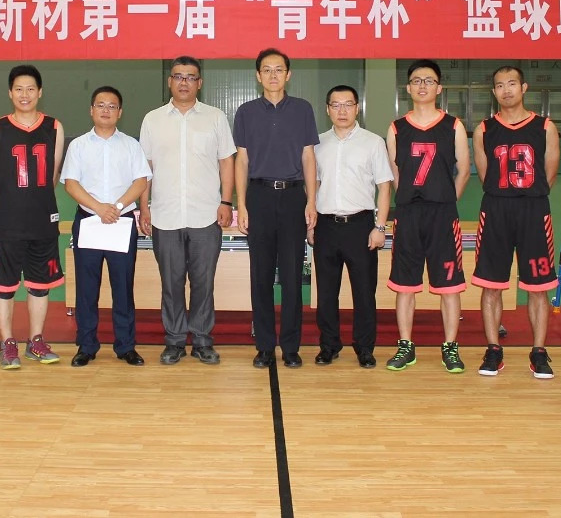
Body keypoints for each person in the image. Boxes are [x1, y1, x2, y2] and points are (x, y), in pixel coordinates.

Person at [138, 56, 235, 366]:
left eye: (190, 77)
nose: (184, 82)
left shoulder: (215, 117)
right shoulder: (152, 119)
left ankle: (203, 340)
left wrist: (226, 202)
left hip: (205, 214)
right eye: (178, 76)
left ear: (199, 83)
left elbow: (226, 161)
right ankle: (175, 341)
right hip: (165, 215)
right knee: (171, 282)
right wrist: (144, 207)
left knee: (204, 282)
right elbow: (145, 168)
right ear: (170, 81)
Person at [471, 65, 561, 379]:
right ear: (493, 91)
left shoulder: (545, 127)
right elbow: (485, 175)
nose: (506, 90)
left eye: (512, 84)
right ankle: (493, 350)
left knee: (539, 286)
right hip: (495, 210)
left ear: (523, 88)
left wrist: (527, 196)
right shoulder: (484, 130)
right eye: (499, 85)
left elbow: (550, 173)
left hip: (534, 211)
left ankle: (539, 352)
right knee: (491, 284)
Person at [384, 60, 471, 374]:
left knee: (450, 285)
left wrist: (445, 199)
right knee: (404, 284)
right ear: (408, 88)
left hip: (442, 214)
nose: (422, 85)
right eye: (417, 80)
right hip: (409, 214)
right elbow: (394, 173)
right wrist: (411, 199)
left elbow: (464, 170)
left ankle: (450, 347)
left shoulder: (453, 125)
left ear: (439, 87)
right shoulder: (396, 128)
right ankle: (406, 345)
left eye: (429, 80)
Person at [233, 48, 318, 369]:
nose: (273, 75)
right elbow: (242, 160)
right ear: (258, 76)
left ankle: (291, 346)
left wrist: (312, 201)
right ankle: (265, 346)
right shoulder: (246, 112)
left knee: (293, 275)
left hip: (294, 197)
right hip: (259, 196)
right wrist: (242, 204)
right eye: (266, 70)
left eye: (279, 69)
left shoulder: (302, 109)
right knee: (262, 275)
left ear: (288, 74)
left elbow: (308, 157)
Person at [61, 86, 152, 367]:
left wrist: (118, 206)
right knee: (86, 288)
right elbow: (71, 183)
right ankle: (86, 346)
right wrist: (99, 208)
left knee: (123, 287)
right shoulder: (78, 146)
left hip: (121, 222)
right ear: (91, 110)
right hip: (89, 220)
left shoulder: (131, 145)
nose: (106, 110)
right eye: (100, 105)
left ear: (120, 112)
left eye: (112, 106)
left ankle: (126, 346)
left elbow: (141, 180)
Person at [0, 64, 65, 369]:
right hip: (8, 223)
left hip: (43, 221)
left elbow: (53, 174)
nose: (25, 94)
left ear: (40, 92)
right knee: (3, 285)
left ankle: (36, 341)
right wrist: (10, 205)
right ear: (10, 93)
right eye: (19, 89)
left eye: (30, 89)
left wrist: (34, 203)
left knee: (40, 284)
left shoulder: (54, 127)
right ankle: (7, 343)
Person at [312, 84, 393, 369]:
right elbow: (314, 185)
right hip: (325, 226)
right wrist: (310, 223)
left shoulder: (373, 143)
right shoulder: (317, 143)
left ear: (357, 108)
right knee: (326, 293)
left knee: (364, 293)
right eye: (336, 105)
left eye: (348, 104)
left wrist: (380, 227)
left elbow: (385, 187)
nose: (342, 110)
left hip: (361, 226)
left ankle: (365, 348)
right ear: (327, 110)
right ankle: (329, 345)